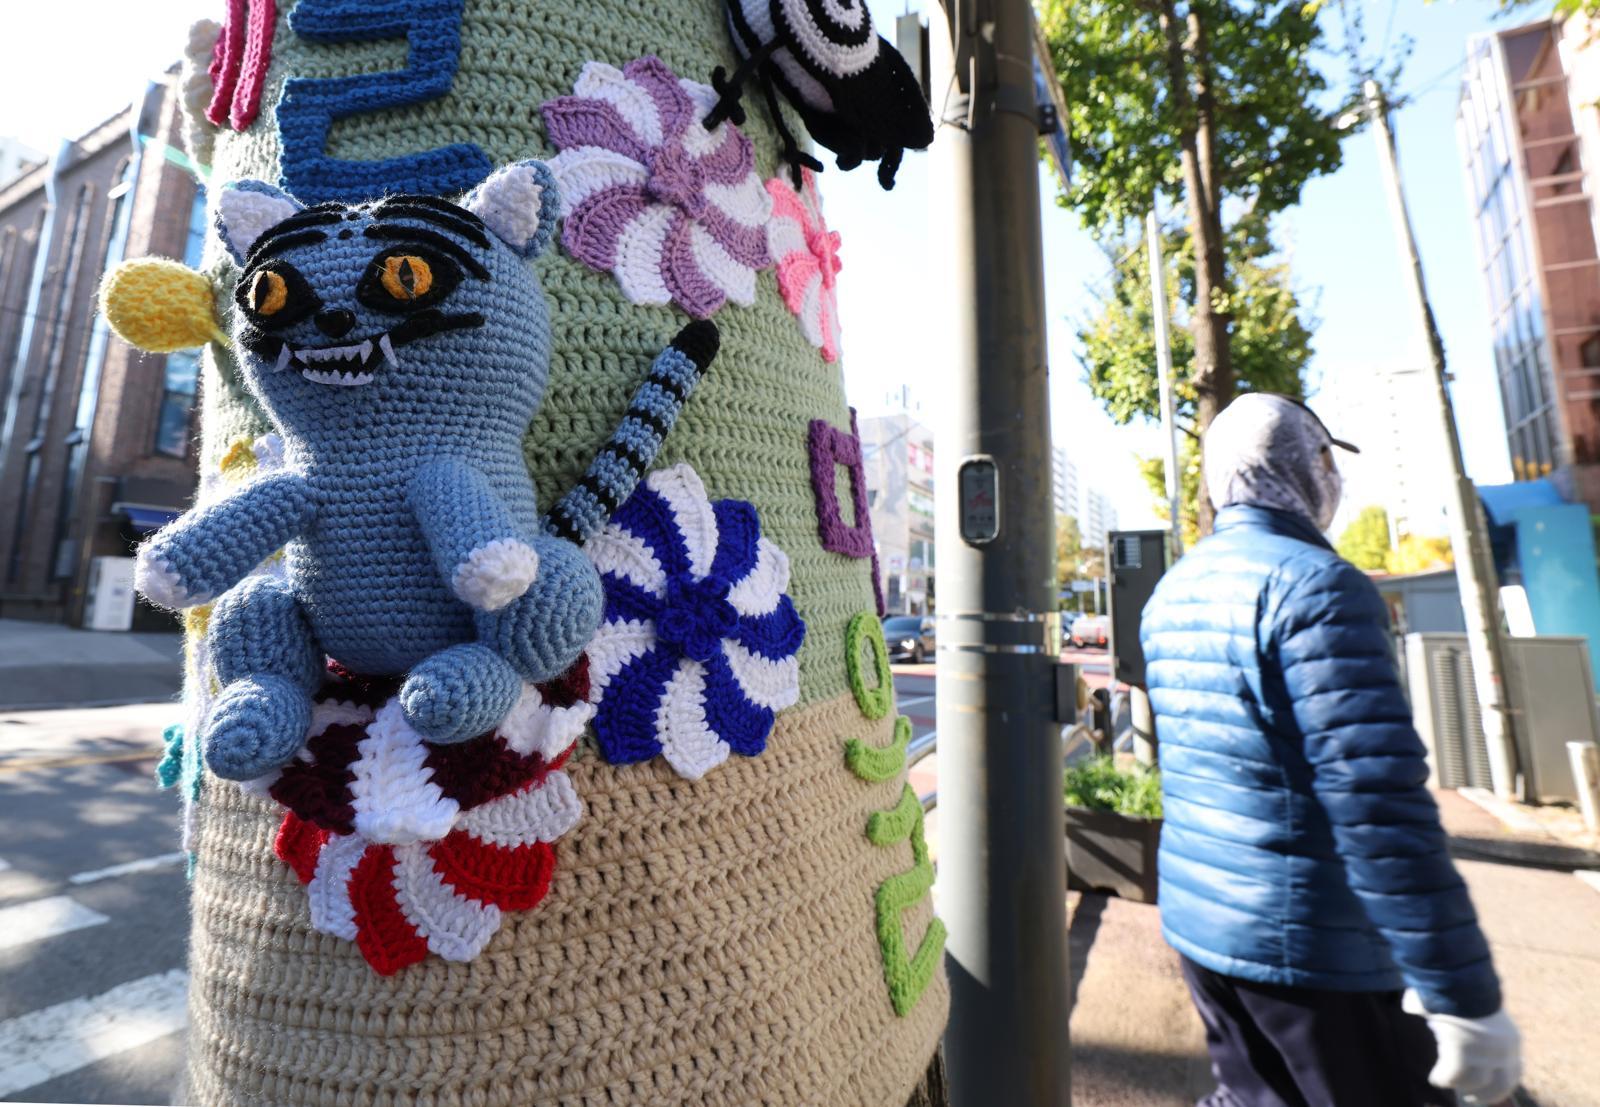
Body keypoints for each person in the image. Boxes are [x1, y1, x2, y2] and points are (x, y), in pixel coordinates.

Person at [1139, 393, 1522, 1107]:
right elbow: (1377, 801)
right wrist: (1462, 991)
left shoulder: (1172, 591)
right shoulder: (1317, 585)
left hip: (1202, 926)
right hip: (1313, 949)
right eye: (1326, 459)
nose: (1333, 478)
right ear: (1308, 467)